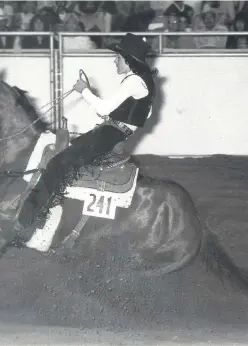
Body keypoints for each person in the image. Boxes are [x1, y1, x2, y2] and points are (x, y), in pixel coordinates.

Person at [16, 33, 158, 231]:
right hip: (114, 132)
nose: (115, 61)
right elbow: (142, 114)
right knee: (67, 154)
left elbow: (104, 109)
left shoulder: (133, 81)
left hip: (110, 134)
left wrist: (84, 91)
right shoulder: (142, 81)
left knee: (58, 162)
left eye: (118, 57)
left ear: (127, 60)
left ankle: (30, 218)